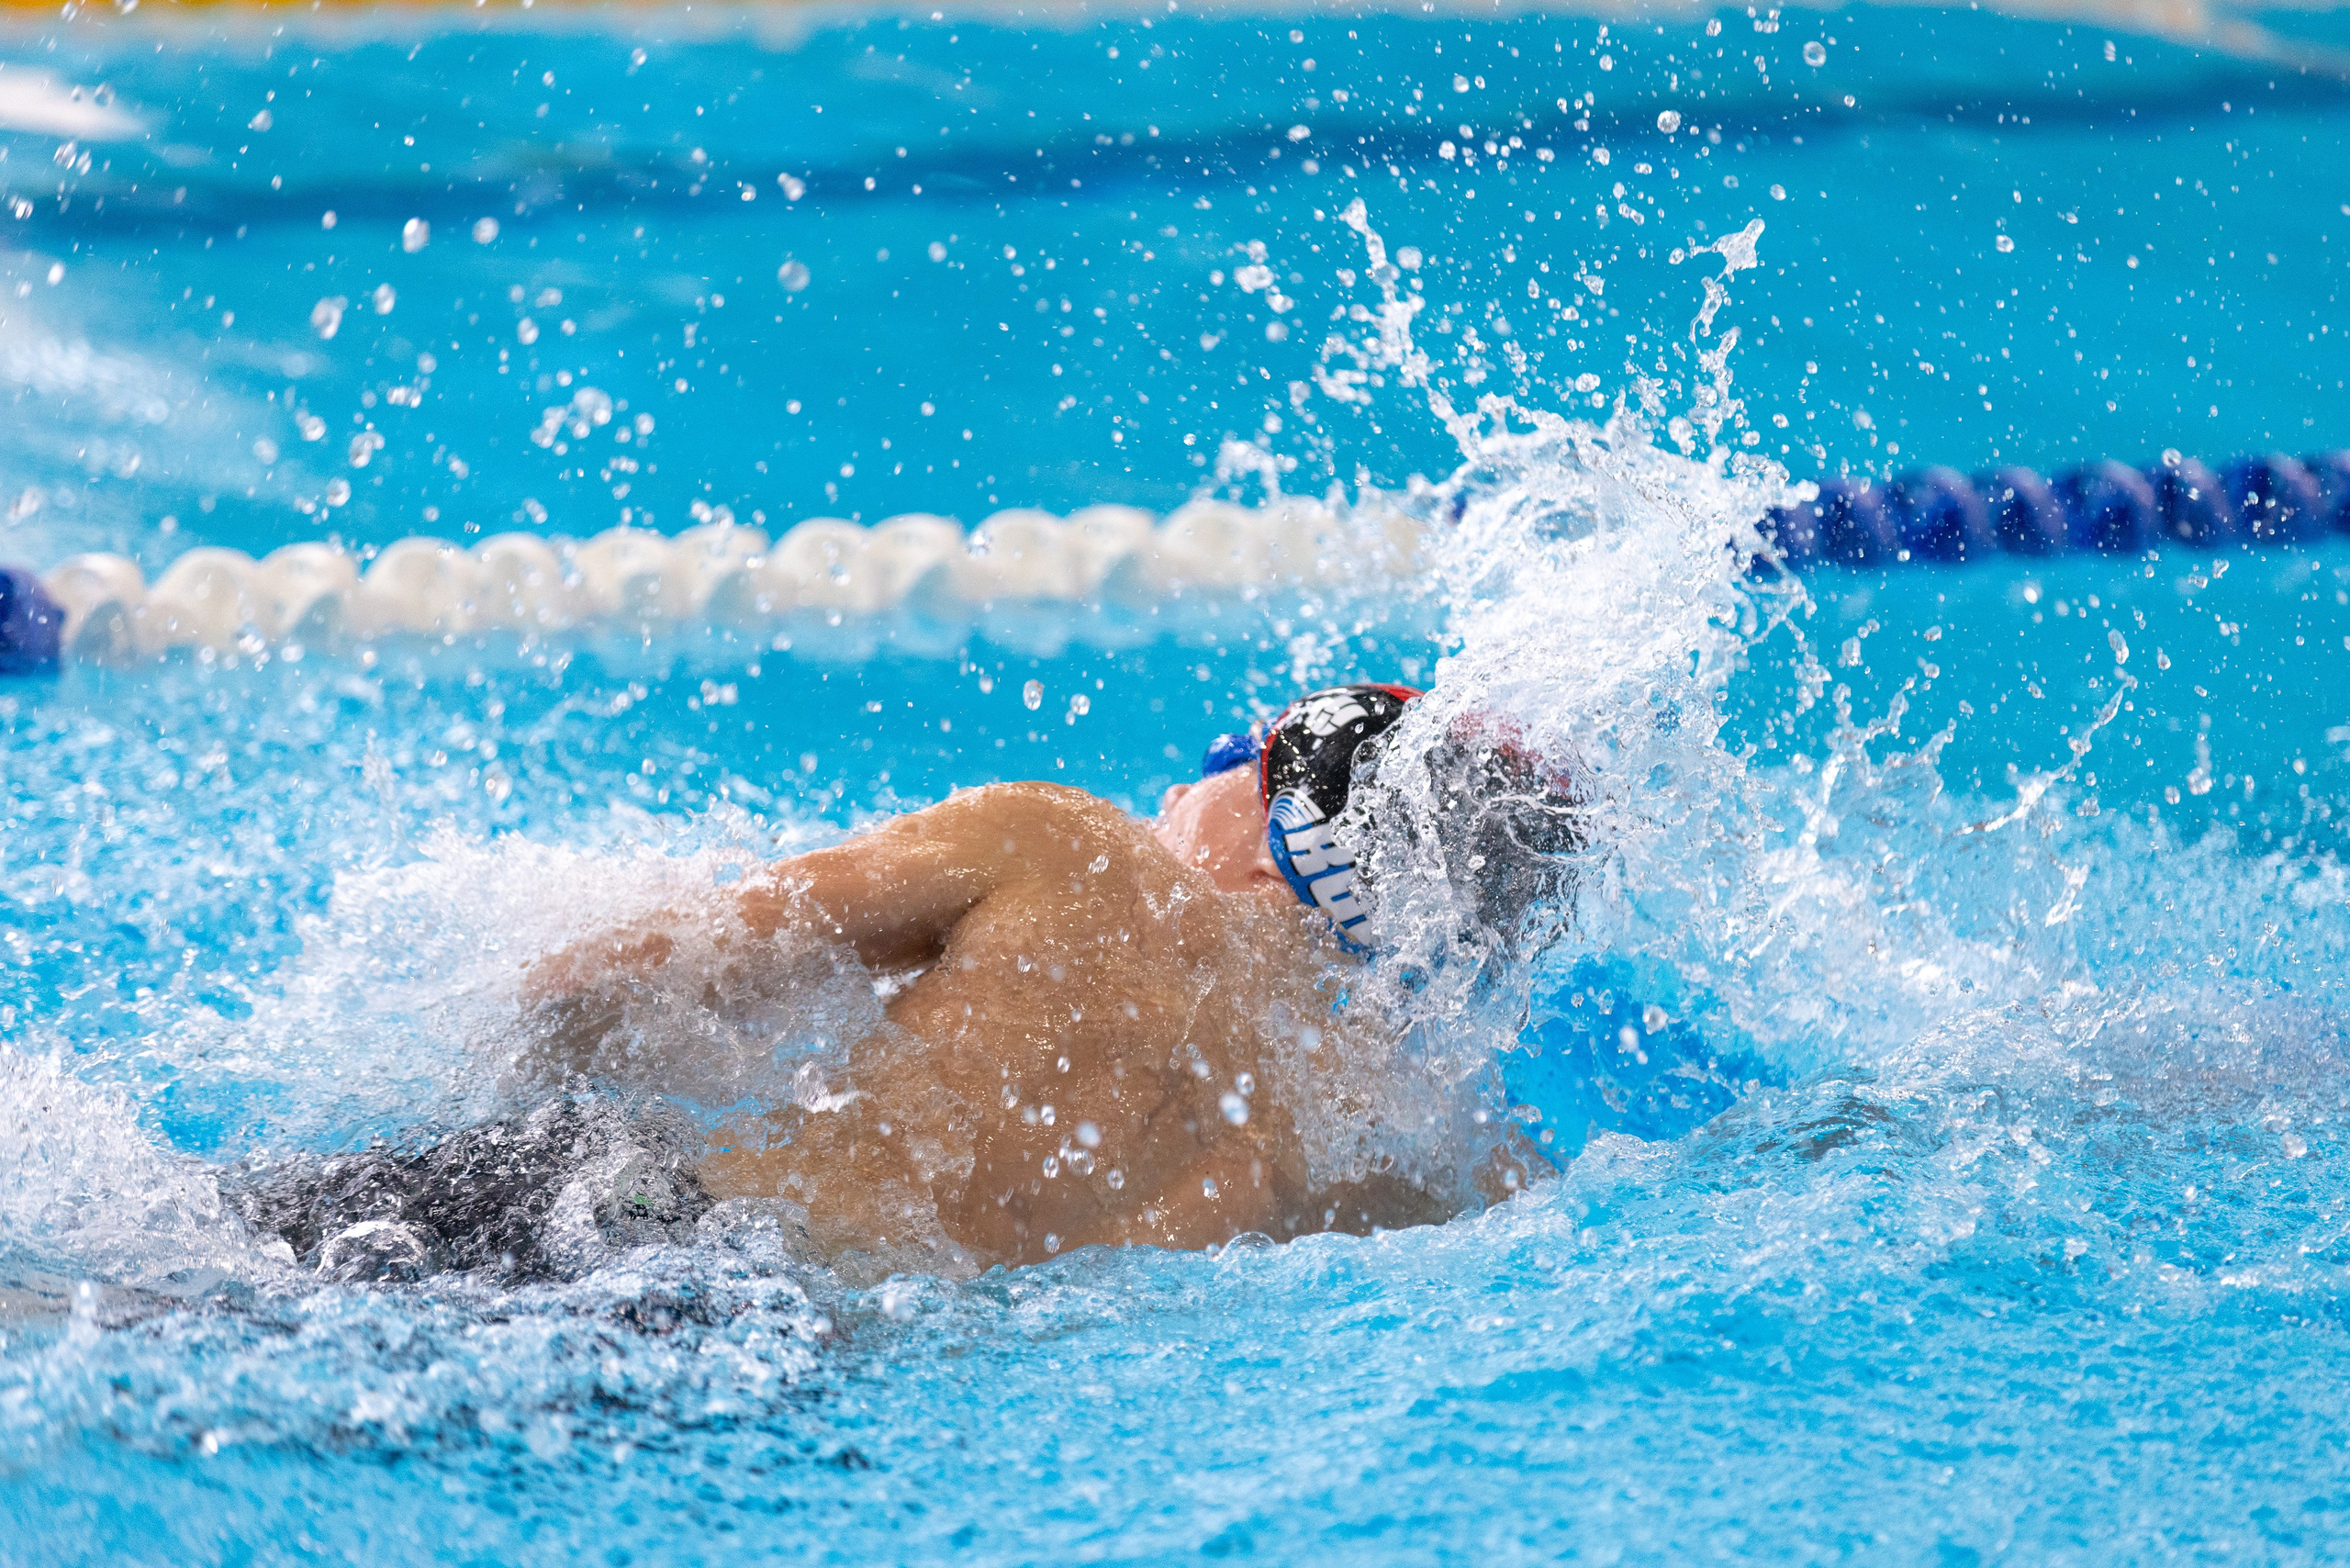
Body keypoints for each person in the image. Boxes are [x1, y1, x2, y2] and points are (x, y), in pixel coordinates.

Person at [513, 681, 1585, 1280]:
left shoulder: (1067, 849)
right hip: (829, 1360)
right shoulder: (1385, 1167)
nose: (1183, 780)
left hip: (652, 1233)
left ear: (1286, 851)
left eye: (1234, 764)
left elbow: (586, 982)